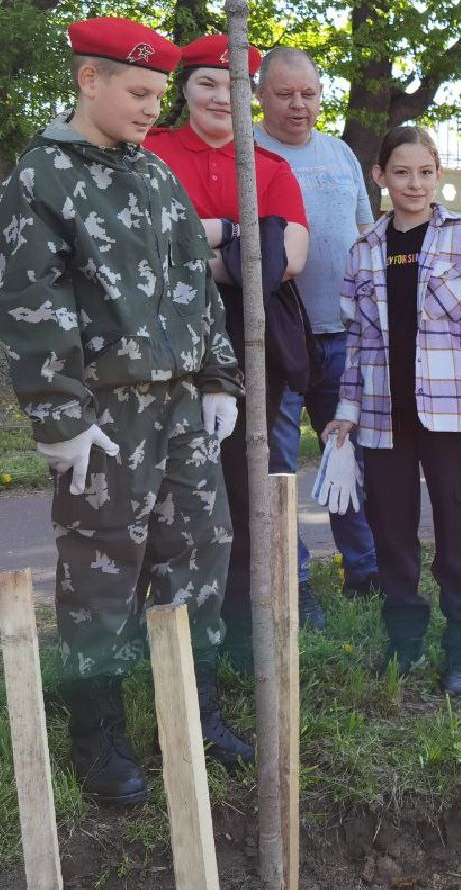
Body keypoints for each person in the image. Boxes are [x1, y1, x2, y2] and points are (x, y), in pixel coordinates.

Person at [0, 18, 253, 805]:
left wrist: (217, 377)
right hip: (104, 415)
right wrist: (58, 415)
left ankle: (194, 711)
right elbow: (34, 304)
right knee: (104, 572)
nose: (151, 109)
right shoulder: (42, 177)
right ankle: (97, 736)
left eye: (157, 95)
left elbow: (197, 284)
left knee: (202, 551)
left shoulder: (153, 175)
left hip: (178, 406)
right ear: (89, 80)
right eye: (138, 93)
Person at [144, 34, 311, 668]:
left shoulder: (269, 168)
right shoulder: (150, 156)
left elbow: (290, 259)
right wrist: (245, 236)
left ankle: (236, 636)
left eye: (233, 86)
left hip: (248, 350)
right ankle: (158, 635)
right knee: (162, 490)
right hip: (161, 345)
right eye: (206, 83)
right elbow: (138, 257)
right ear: (184, 88)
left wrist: (190, 244)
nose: (219, 96)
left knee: (242, 489)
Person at [323, 125, 461, 699]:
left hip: (450, 412)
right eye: (401, 173)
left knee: (458, 532)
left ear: (438, 174)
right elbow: (357, 341)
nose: (414, 183)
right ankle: (405, 641)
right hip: (382, 416)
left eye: (425, 172)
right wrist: (346, 409)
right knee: (393, 534)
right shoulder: (365, 250)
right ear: (379, 177)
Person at [255, 47, 380, 622]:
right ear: (260, 96)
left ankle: (364, 567)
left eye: (308, 93)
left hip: (345, 338)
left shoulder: (341, 155)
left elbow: (364, 232)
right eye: (284, 94)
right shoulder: (246, 154)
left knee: (346, 458)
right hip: (276, 344)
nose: (298, 105)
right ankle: (294, 578)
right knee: (277, 466)